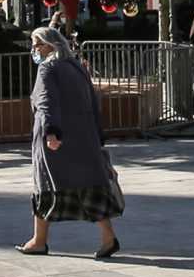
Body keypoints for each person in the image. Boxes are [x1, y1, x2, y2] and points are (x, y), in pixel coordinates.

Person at [20, 26, 121, 258]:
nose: (34, 50)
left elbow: (46, 102)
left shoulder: (47, 68)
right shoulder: (77, 67)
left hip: (57, 139)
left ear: (49, 45)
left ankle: (39, 241)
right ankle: (108, 237)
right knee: (90, 186)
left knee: (45, 186)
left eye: (36, 44)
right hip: (84, 138)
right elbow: (93, 102)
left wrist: (50, 132)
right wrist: (98, 135)